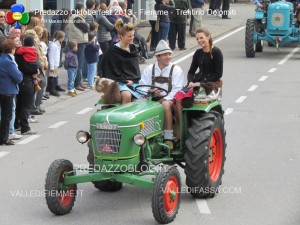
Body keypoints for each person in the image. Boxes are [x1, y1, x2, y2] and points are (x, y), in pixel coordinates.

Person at [174, 28, 223, 137]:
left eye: (201, 38)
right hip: (197, 81)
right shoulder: (198, 52)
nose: (199, 41)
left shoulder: (216, 52)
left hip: (210, 82)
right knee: (177, 98)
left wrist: (201, 84)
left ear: (208, 37)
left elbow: (218, 74)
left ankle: (188, 129)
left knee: (191, 100)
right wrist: (191, 82)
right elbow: (191, 71)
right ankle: (180, 128)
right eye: (197, 39)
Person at [140, 40, 184, 149]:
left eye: (169, 54)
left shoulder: (176, 70)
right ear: (157, 57)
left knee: (165, 105)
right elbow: (143, 86)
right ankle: (140, 137)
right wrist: (151, 92)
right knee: (137, 105)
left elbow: (177, 90)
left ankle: (168, 138)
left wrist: (164, 99)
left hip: (170, 100)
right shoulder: (149, 69)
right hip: (152, 99)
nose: (168, 57)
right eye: (165, 55)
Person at [101, 19, 141, 104]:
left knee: (141, 98)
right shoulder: (112, 50)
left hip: (132, 82)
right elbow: (110, 70)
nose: (132, 38)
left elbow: (135, 68)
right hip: (117, 82)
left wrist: (133, 80)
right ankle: (123, 116)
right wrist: (125, 81)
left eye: (133, 35)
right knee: (127, 95)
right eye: (129, 36)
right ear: (121, 36)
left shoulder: (133, 49)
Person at [0, 39, 23, 145]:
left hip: (3, 90)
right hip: (7, 91)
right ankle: (4, 138)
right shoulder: (8, 61)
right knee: (6, 116)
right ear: (12, 49)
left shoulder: (2, 59)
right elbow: (18, 77)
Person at [68, 3, 90, 91]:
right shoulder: (77, 17)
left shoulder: (75, 16)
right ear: (80, 9)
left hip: (77, 42)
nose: (85, 10)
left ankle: (78, 82)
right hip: (79, 42)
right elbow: (86, 28)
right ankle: (77, 84)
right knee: (78, 64)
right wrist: (87, 25)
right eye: (84, 8)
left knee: (77, 64)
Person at [47, 30, 65, 97]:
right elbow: (51, 56)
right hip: (53, 64)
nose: (63, 39)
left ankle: (51, 88)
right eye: (63, 37)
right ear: (60, 37)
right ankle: (51, 89)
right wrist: (51, 66)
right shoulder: (54, 45)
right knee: (51, 77)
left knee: (54, 76)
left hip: (56, 63)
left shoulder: (58, 44)